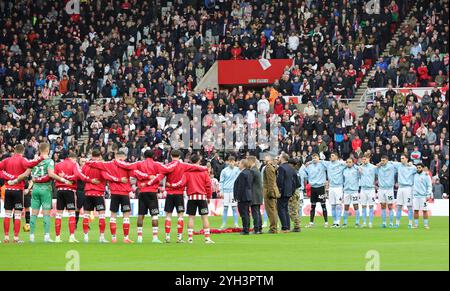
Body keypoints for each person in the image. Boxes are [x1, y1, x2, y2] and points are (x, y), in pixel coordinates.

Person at [115, 150, 166, 243]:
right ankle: (154, 238)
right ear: (153, 156)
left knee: (140, 214)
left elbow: (129, 167)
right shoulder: (157, 164)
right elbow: (164, 172)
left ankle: (139, 238)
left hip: (142, 192)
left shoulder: (138, 163)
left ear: (143, 155)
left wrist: (117, 162)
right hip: (152, 192)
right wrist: (151, 180)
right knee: (154, 215)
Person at [160, 149, 208, 243]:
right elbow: (195, 167)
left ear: (170, 156)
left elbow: (160, 176)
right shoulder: (183, 165)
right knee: (180, 216)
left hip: (170, 194)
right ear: (180, 156)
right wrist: (205, 168)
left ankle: (167, 237)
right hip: (179, 194)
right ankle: (179, 238)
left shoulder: (167, 166)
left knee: (168, 216)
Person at [0, 144, 45, 243]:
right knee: (17, 215)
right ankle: (16, 238)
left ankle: (6, 237)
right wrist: (40, 158)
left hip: (8, 190)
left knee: (7, 215)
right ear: (23, 151)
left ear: (14, 150)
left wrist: (7, 176)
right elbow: (31, 165)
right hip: (18, 191)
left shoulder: (7, 160)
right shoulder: (23, 160)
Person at [87, 151, 134, 243]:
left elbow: (96, 164)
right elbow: (133, 175)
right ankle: (126, 238)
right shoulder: (127, 165)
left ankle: (113, 238)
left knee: (113, 215)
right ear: (124, 157)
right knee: (126, 216)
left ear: (116, 156)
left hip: (114, 193)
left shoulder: (109, 164)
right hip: (124, 193)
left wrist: (87, 161)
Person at [54, 152, 99, 243]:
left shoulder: (58, 165)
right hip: (69, 191)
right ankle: (71, 237)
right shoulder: (74, 164)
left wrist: (63, 179)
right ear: (74, 158)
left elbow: (54, 176)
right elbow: (78, 175)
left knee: (59, 215)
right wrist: (89, 180)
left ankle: (57, 237)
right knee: (71, 214)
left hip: (59, 190)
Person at [81, 149, 117, 243]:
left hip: (88, 192)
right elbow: (105, 176)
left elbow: (82, 176)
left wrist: (89, 180)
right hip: (98, 193)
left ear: (92, 155)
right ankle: (101, 237)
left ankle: (85, 237)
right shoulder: (101, 165)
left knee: (86, 215)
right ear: (100, 156)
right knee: (101, 215)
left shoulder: (86, 165)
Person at [184, 155, 214, 244]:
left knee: (191, 218)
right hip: (202, 197)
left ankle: (190, 238)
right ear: (199, 161)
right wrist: (208, 197)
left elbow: (184, 184)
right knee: (204, 218)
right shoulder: (204, 172)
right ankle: (207, 238)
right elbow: (208, 186)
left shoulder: (187, 172)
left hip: (191, 197)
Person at [320, 152, 346, 228]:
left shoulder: (341, 164)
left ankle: (338, 222)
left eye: (333, 156)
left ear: (337, 157)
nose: (331, 157)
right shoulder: (328, 164)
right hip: (331, 187)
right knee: (333, 205)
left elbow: (349, 163)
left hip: (339, 187)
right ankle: (334, 222)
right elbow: (320, 161)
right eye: (331, 156)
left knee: (338, 205)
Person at [304, 153, 329, 228]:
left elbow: (328, 164)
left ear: (318, 158)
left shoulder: (322, 165)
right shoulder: (309, 166)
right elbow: (304, 169)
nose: (314, 159)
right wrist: (309, 162)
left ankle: (326, 222)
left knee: (323, 205)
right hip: (313, 187)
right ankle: (311, 223)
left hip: (321, 187)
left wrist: (320, 160)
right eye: (313, 158)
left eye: (316, 157)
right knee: (313, 206)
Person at [276, 153, 299, 233]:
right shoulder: (291, 168)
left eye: (279, 157)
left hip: (283, 191)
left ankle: (284, 227)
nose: (278, 158)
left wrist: (279, 190)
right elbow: (295, 181)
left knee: (280, 209)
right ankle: (287, 227)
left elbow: (280, 181)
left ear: (282, 158)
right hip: (289, 191)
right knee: (285, 209)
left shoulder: (281, 168)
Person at [392, 155, 417, 228]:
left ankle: (410, 223)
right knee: (399, 206)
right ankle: (397, 223)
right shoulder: (398, 165)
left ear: (407, 159)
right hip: (400, 188)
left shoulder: (412, 167)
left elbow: (420, 171)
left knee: (409, 206)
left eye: (403, 158)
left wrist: (412, 164)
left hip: (408, 188)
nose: (401, 159)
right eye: (401, 158)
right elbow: (389, 162)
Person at [219, 156, 240, 229]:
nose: (231, 163)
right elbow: (221, 182)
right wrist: (221, 191)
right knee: (225, 208)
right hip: (226, 192)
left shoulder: (238, 170)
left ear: (235, 162)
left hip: (233, 192)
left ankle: (236, 224)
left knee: (234, 208)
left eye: (233, 161)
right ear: (228, 162)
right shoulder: (224, 171)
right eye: (230, 161)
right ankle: (223, 223)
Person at [376, 156, 398, 228]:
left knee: (390, 206)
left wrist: (391, 162)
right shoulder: (379, 167)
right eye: (381, 160)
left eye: (384, 160)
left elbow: (400, 165)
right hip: (381, 189)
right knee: (382, 206)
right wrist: (377, 165)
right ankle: (384, 223)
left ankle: (391, 223)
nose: (382, 162)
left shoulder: (392, 166)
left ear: (387, 160)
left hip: (389, 189)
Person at [233, 159, 253, 235]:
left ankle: (245, 230)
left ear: (243, 164)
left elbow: (241, 187)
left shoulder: (243, 174)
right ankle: (246, 228)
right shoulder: (249, 172)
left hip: (243, 197)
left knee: (244, 214)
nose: (238, 164)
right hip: (248, 195)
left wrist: (238, 197)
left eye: (240, 163)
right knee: (246, 213)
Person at [262, 155, 280, 234]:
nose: (264, 159)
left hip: (269, 191)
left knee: (271, 211)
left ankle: (273, 228)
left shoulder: (268, 167)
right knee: (273, 210)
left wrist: (269, 192)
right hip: (273, 190)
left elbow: (270, 181)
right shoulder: (273, 167)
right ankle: (274, 227)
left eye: (266, 158)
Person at [358, 153, 377, 228]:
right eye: (363, 159)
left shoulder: (373, 167)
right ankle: (364, 222)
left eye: (365, 159)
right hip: (363, 189)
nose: (364, 160)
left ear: (368, 159)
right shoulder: (359, 168)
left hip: (371, 189)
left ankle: (370, 222)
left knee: (371, 206)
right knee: (363, 206)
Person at [412, 163, 432, 229]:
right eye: (417, 168)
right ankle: (416, 225)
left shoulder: (426, 176)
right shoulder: (414, 175)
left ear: (422, 168)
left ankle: (426, 225)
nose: (418, 169)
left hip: (423, 196)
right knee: (416, 210)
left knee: (425, 211)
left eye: (419, 167)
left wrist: (428, 194)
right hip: (415, 196)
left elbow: (429, 186)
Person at [342, 158, 361, 227]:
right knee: (346, 206)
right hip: (346, 191)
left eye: (350, 162)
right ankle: (345, 222)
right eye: (347, 162)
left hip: (354, 191)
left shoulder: (356, 170)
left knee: (356, 206)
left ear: (353, 163)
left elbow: (360, 176)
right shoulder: (344, 170)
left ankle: (357, 222)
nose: (348, 163)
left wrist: (356, 167)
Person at [248, 156, 263, 234]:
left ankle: (256, 228)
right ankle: (259, 228)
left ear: (251, 161)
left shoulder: (252, 170)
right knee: (257, 212)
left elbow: (249, 183)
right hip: (258, 194)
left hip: (254, 194)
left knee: (255, 212)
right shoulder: (256, 169)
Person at [289, 159, 302, 232]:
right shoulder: (296, 172)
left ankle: (297, 226)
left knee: (293, 210)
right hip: (296, 191)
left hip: (293, 192)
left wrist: (291, 192)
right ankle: (297, 225)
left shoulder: (293, 172)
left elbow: (296, 183)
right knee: (295, 209)